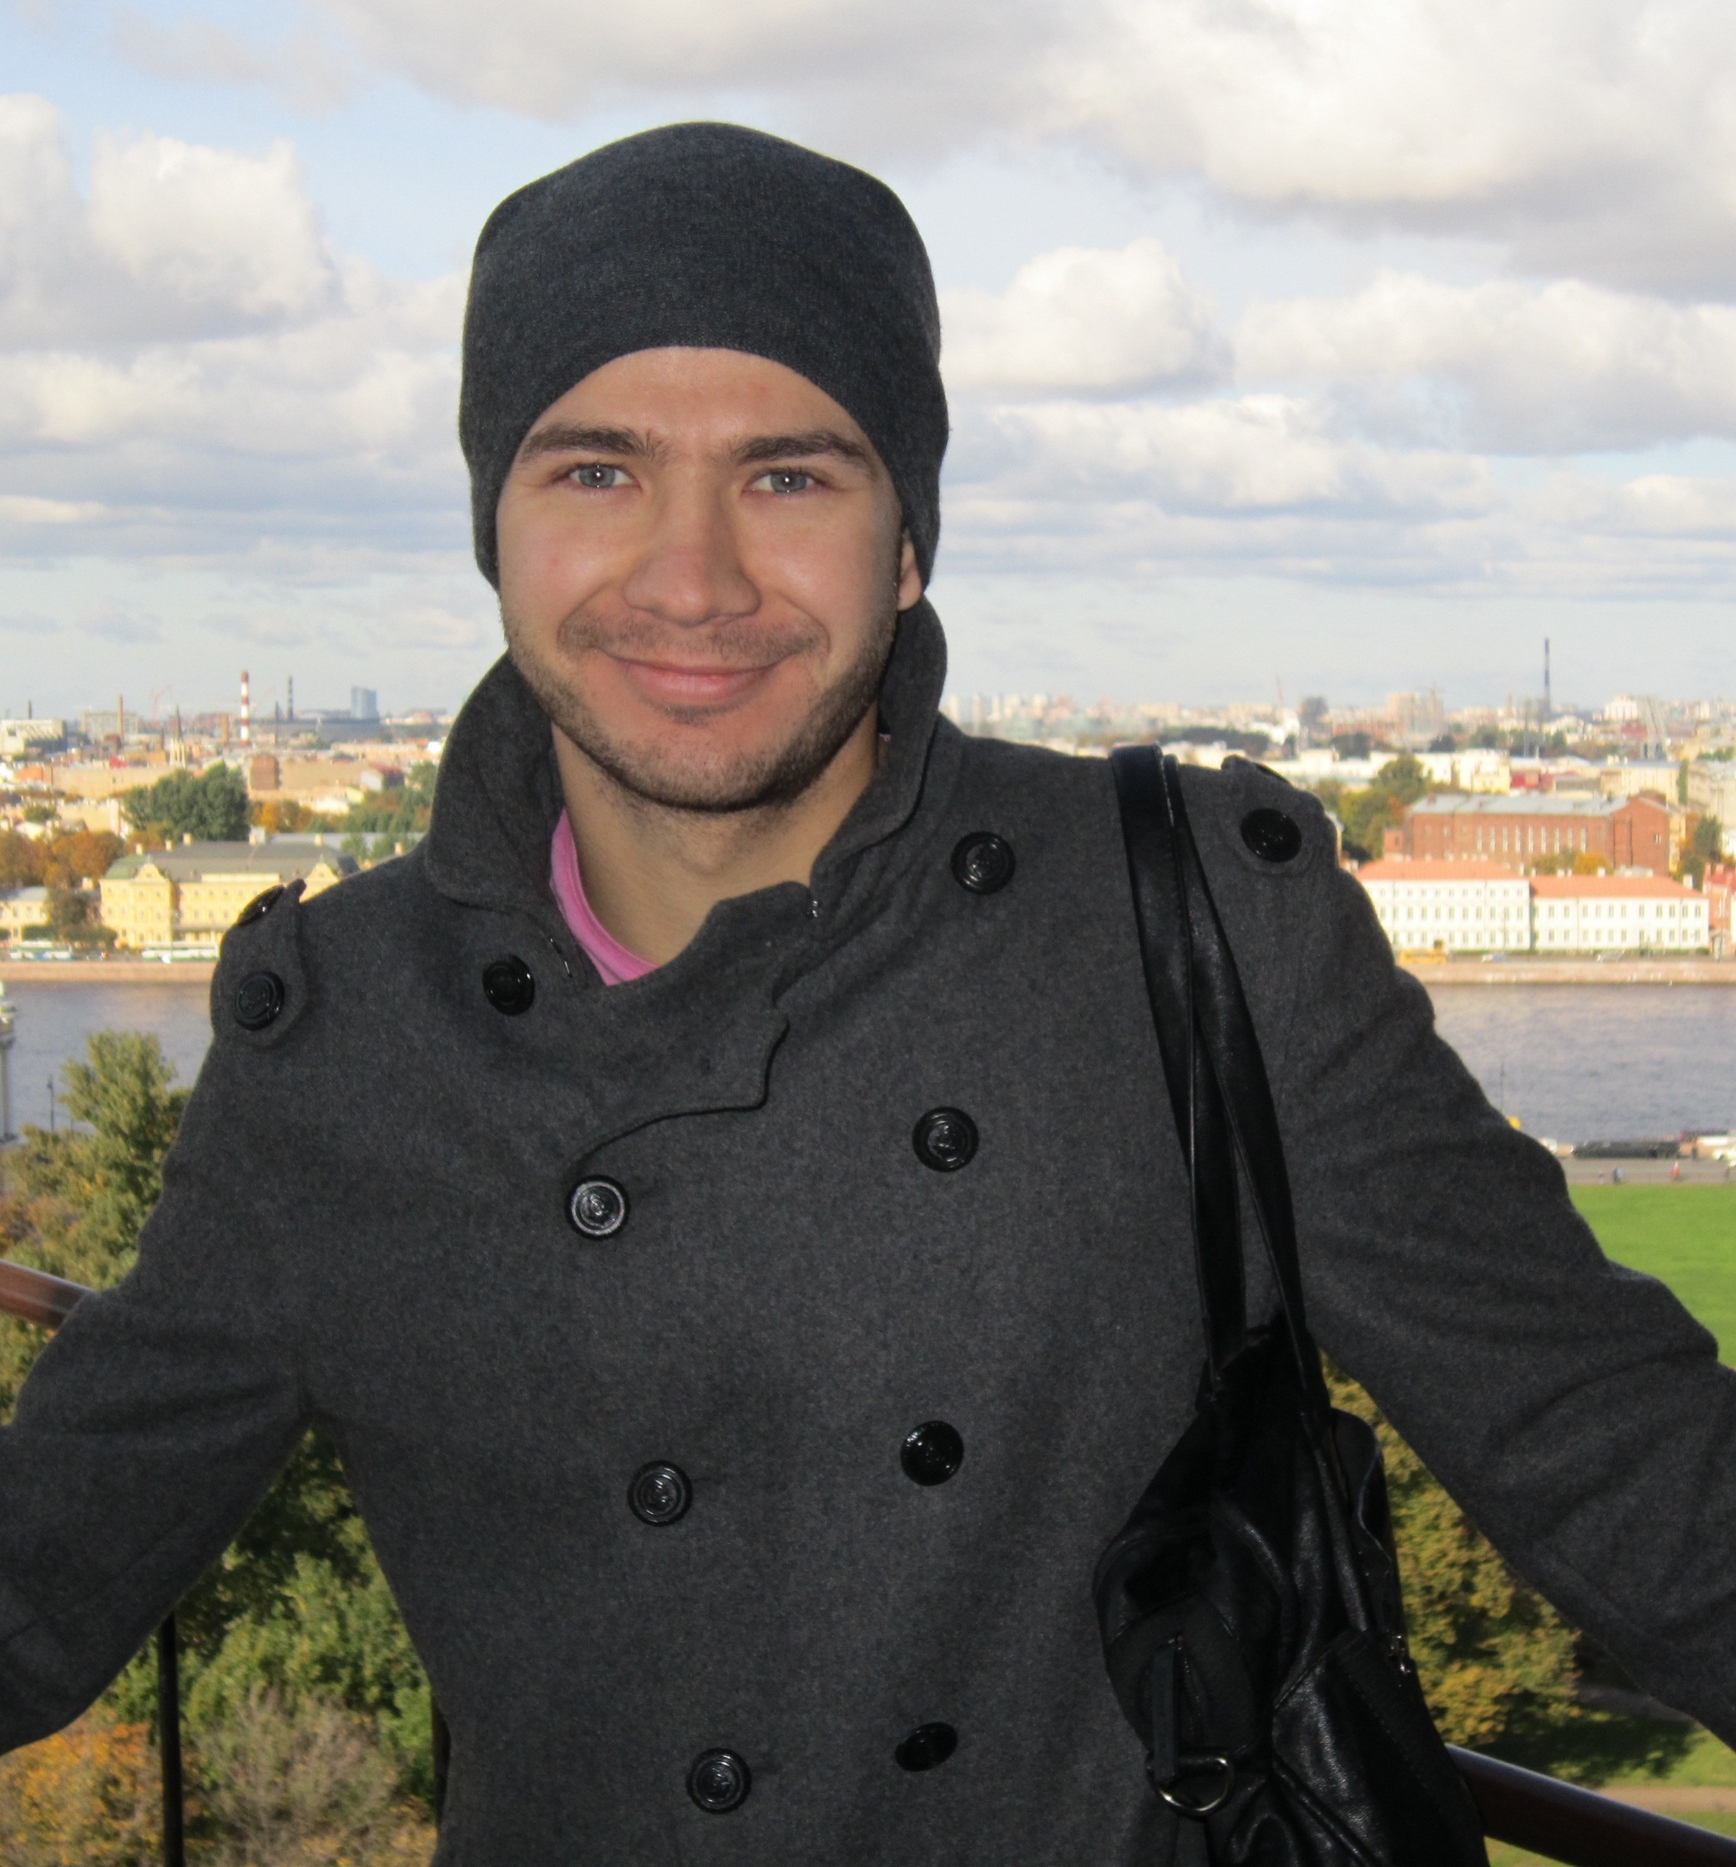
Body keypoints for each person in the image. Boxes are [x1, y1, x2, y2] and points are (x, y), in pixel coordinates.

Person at [1, 122, 1732, 1864]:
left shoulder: (1191, 922)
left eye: (789, 477)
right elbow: (49, 1557)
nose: (692, 580)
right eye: (595, 471)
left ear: (907, 539)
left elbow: (1621, 1460)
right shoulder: (353, 1032)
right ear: (493, 531)